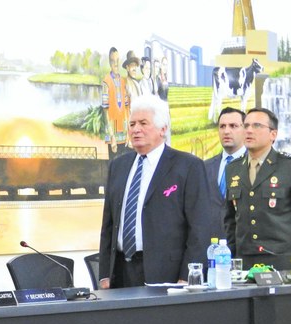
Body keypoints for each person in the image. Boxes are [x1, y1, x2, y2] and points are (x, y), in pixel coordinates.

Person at [98, 94, 214, 288]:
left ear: (163, 129)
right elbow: (108, 225)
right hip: (120, 272)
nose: (136, 129)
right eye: (132, 124)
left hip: (166, 273)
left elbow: (200, 227)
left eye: (143, 123)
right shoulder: (118, 166)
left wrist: (188, 276)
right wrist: (104, 275)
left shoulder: (188, 166)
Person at [223, 107, 291, 270]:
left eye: (257, 125)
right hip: (244, 262)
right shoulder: (233, 168)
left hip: (283, 262)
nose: (249, 130)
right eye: (246, 125)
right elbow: (230, 219)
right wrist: (231, 257)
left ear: (273, 134)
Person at [204, 107, 246, 233]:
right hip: (212, 239)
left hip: (242, 239)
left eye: (233, 126)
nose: (226, 131)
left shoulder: (256, 166)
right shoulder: (204, 167)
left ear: (245, 130)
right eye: (222, 126)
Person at [101, 47, 130, 160]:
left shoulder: (123, 81)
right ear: (110, 62)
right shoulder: (106, 82)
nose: (116, 64)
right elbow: (105, 111)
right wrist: (112, 136)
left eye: (117, 60)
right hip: (113, 137)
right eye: (113, 61)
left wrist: (128, 132)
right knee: (113, 166)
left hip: (124, 135)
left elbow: (126, 109)